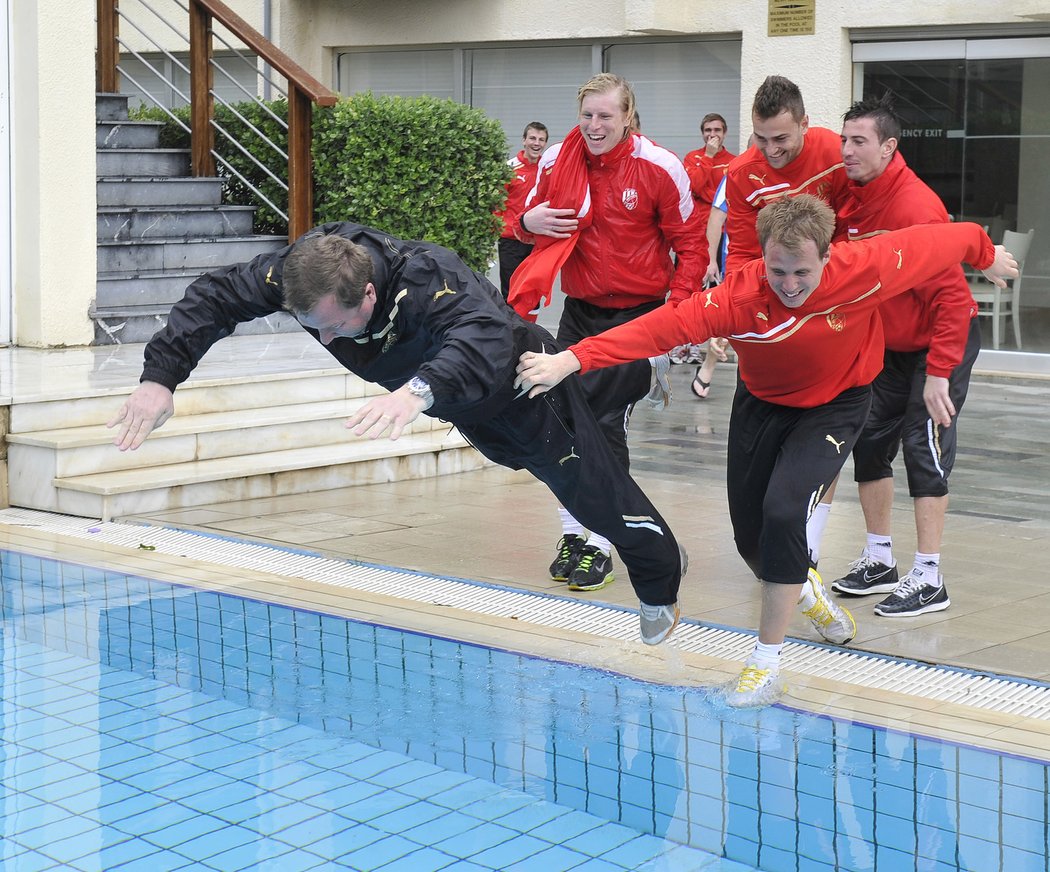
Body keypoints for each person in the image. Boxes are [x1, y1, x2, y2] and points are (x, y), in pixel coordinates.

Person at [515, 195, 1017, 707]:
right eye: (778, 271)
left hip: (837, 405)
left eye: (802, 271)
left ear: (827, 257)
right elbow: (657, 329)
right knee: (752, 544)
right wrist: (573, 359)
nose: (790, 285)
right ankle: (804, 589)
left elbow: (947, 239)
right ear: (762, 256)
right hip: (761, 405)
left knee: (784, 512)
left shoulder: (866, 265)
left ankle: (764, 662)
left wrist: (986, 254)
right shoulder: (737, 297)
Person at [107, 222, 688, 646]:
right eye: (315, 329)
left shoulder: (428, 276)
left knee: (593, 497)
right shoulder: (300, 273)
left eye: (337, 325)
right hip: (468, 408)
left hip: (524, 388)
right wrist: (161, 378)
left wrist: (418, 390)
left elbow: (481, 335)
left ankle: (662, 572)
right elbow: (213, 297)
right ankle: (635, 373)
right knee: (548, 439)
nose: (330, 341)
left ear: (368, 295)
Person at [508, 72, 705, 593]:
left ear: (628, 117)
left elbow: (691, 245)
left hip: (637, 318)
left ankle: (602, 540)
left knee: (600, 419)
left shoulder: (659, 166)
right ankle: (577, 532)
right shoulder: (557, 160)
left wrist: (679, 316)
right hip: (579, 311)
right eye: (587, 115)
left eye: (606, 116)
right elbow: (517, 222)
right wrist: (531, 220)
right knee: (565, 418)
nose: (595, 126)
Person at [806, 95, 981, 618]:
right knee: (868, 444)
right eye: (844, 140)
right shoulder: (854, 193)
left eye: (859, 142)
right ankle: (879, 559)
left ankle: (929, 576)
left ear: (889, 147)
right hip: (893, 347)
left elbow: (952, 296)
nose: (846, 151)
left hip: (939, 343)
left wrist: (940, 374)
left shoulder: (915, 207)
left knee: (921, 445)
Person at [723, 75, 850, 275]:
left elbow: (850, 229)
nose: (771, 150)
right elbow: (743, 252)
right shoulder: (741, 173)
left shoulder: (836, 153)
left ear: (804, 124)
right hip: (776, 278)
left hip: (833, 268)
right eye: (761, 138)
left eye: (780, 138)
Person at [683, 115, 736, 399]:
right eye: (707, 130)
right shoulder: (694, 157)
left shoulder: (734, 162)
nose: (712, 135)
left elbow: (716, 195)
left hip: (727, 240)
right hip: (698, 236)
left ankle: (710, 359)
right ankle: (688, 342)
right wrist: (708, 157)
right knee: (697, 293)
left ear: (725, 132)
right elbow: (694, 186)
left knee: (727, 302)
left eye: (717, 130)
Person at [494, 122, 549, 298]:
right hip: (511, 242)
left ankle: (529, 326)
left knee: (533, 292)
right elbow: (495, 204)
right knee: (511, 292)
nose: (536, 143)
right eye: (532, 138)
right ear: (524, 140)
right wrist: (500, 230)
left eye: (541, 140)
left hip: (537, 242)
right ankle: (511, 326)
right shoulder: (508, 169)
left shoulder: (547, 169)